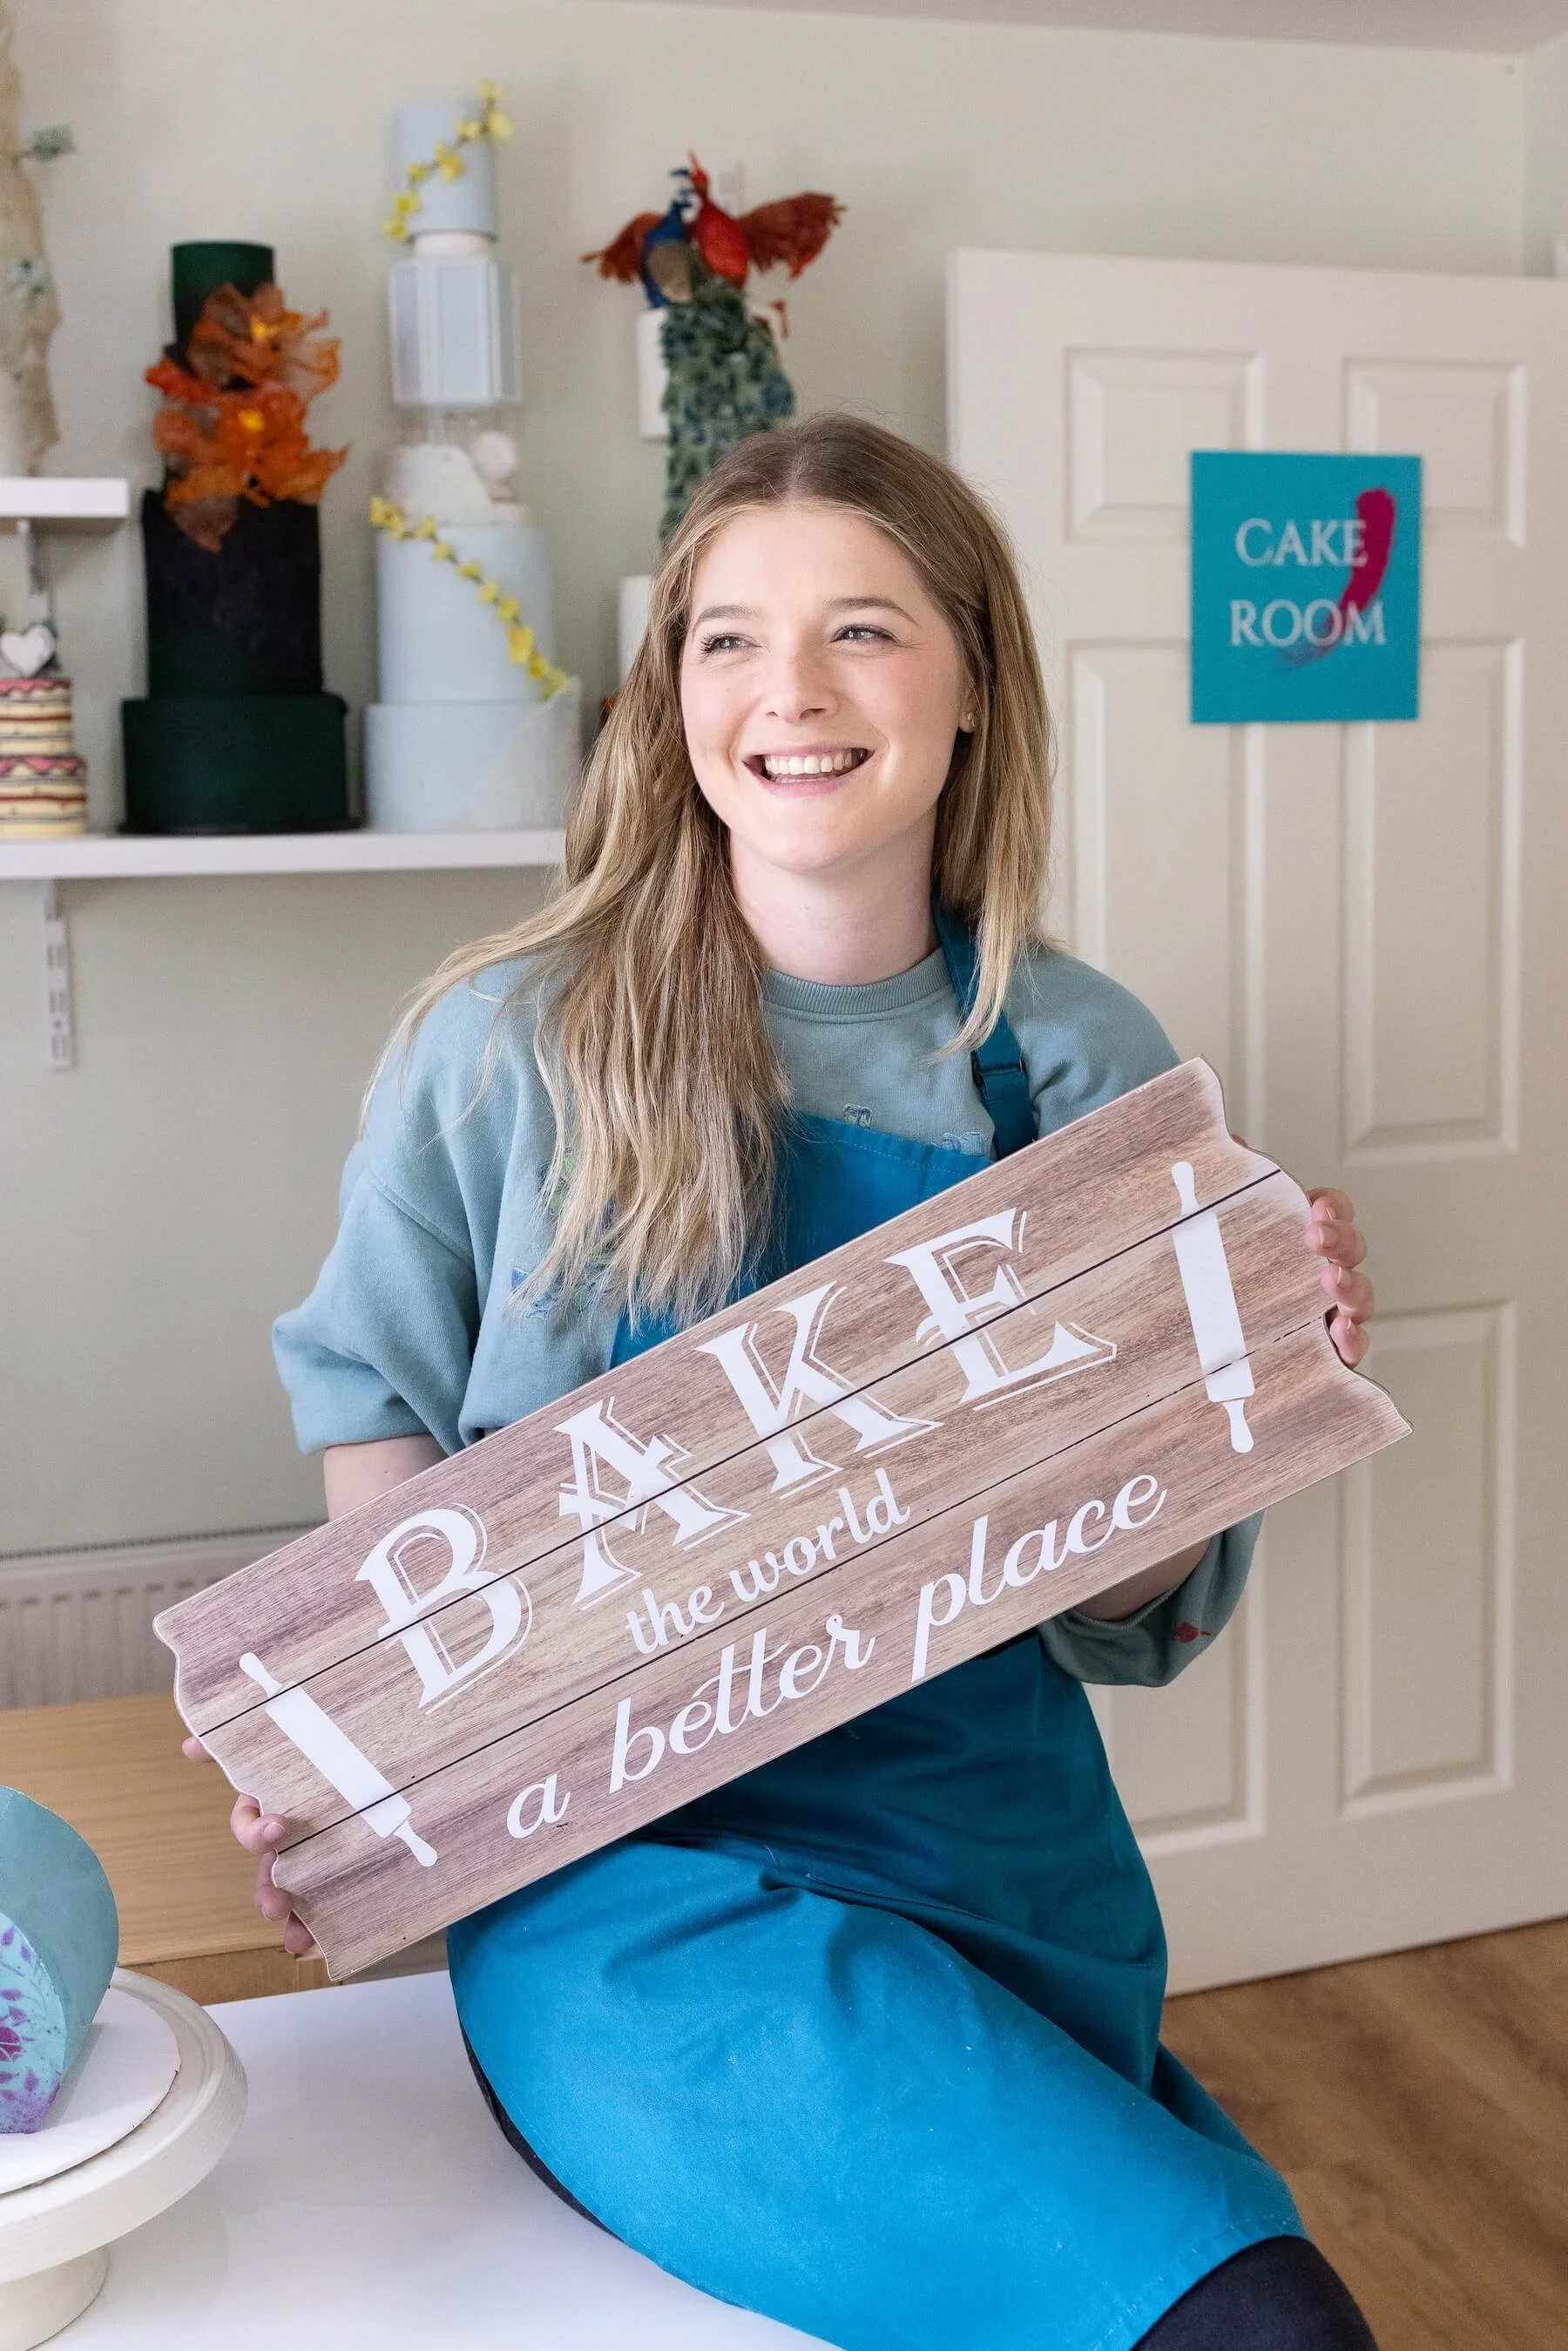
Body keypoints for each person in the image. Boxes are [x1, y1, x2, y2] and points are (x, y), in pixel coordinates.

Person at [199, 415, 1380, 2350]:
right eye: (725, 638)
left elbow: (1122, 1600)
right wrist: (384, 1724)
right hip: (636, 1893)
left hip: (1004, 1850)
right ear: (671, 696)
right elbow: (375, 1407)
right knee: (1259, 2322)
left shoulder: (1079, 1062)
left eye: (864, 630)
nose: (790, 693)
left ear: (975, 677)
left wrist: (1227, 1383)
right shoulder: (506, 1042)